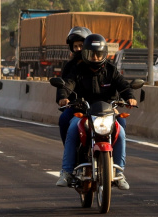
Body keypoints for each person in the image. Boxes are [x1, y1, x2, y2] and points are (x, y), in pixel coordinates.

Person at [56, 33, 137, 190]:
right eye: (91, 54)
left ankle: (119, 172)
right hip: (83, 111)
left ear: (104, 53)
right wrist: (63, 97)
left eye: (98, 54)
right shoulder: (78, 70)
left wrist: (130, 98)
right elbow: (67, 85)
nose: (95, 57)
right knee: (73, 129)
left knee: (120, 131)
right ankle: (66, 172)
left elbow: (124, 86)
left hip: (107, 112)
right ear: (85, 53)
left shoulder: (111, 70)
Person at [57, 26, 92, 144]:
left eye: (81, 46)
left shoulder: (104, 66)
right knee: (64, 119)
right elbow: (66, 84)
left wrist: (124, 98)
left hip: (100, 109)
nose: (78, 49)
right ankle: (69, 150)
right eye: (75, 46)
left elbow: (116, 83)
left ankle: (117, 162)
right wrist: (63, 98)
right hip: (77, 107)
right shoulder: (71, 67)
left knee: (120, 123)